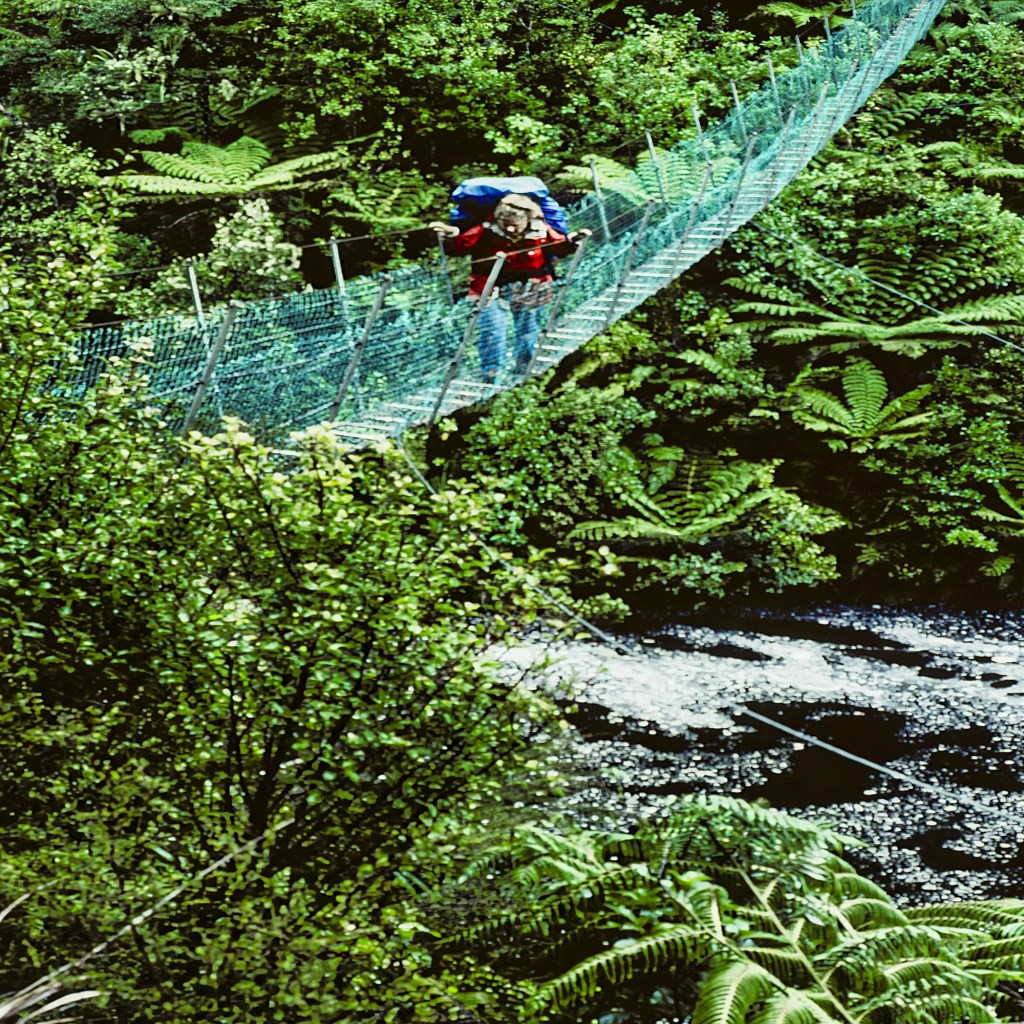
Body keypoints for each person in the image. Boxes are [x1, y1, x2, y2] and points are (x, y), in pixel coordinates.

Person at [429, 194, 592, 381]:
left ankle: (525, 370)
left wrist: (574, 240)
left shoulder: (540, 230)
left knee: (528, 329)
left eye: (516, 223)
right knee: (492, 328)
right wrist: (447, 235)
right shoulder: (486, 230)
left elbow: (560, 248)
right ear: (497, 218)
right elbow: (459, 247)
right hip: (490, 287)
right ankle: (491, 372)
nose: (511, 228)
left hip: (532, 287)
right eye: (505, 223)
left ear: (529, 219)